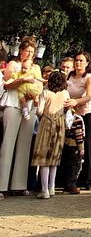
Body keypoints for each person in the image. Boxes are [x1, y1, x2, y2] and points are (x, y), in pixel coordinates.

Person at [0, 36, 43, 198]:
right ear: (21, 51)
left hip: (29, 107)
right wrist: (22, 80)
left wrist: (34, 93)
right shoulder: (13, 64)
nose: (29, 54)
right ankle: (1, 185)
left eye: (32, 51)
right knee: (8, 143)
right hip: (13, 103)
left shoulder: (36, 68)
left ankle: (19, 184)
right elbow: (7, 83)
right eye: (27, 51)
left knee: (24, 145)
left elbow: (39, 85)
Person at [32, 70, 70, 199]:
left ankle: (44, 191)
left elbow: (39, 111)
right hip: (60, 124)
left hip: (46, 124)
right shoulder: (65, 93)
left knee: (44, 159)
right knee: (54, 158)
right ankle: (51, 187)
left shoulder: (45, 93)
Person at [65, 52, 91, 190]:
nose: (78, 63)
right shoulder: (69, 76)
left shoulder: (89, 77)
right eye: (76, 60)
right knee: (72, 145)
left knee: (88, 143)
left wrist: (75, 101)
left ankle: (90, 179)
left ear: (87, 63)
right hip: (74, 114)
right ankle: (71, 179)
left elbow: (89, 96)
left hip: (89, 112)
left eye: (81, 61)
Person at [61, 109, 85, 195]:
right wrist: (81, 148)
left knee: (67, 166)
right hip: (75, 146)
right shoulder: (77, 120)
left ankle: (67, 185)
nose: (85, 108)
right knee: (75, 167)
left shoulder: (67, 118)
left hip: (67, 145)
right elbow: (78, 135)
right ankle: (71, 185)